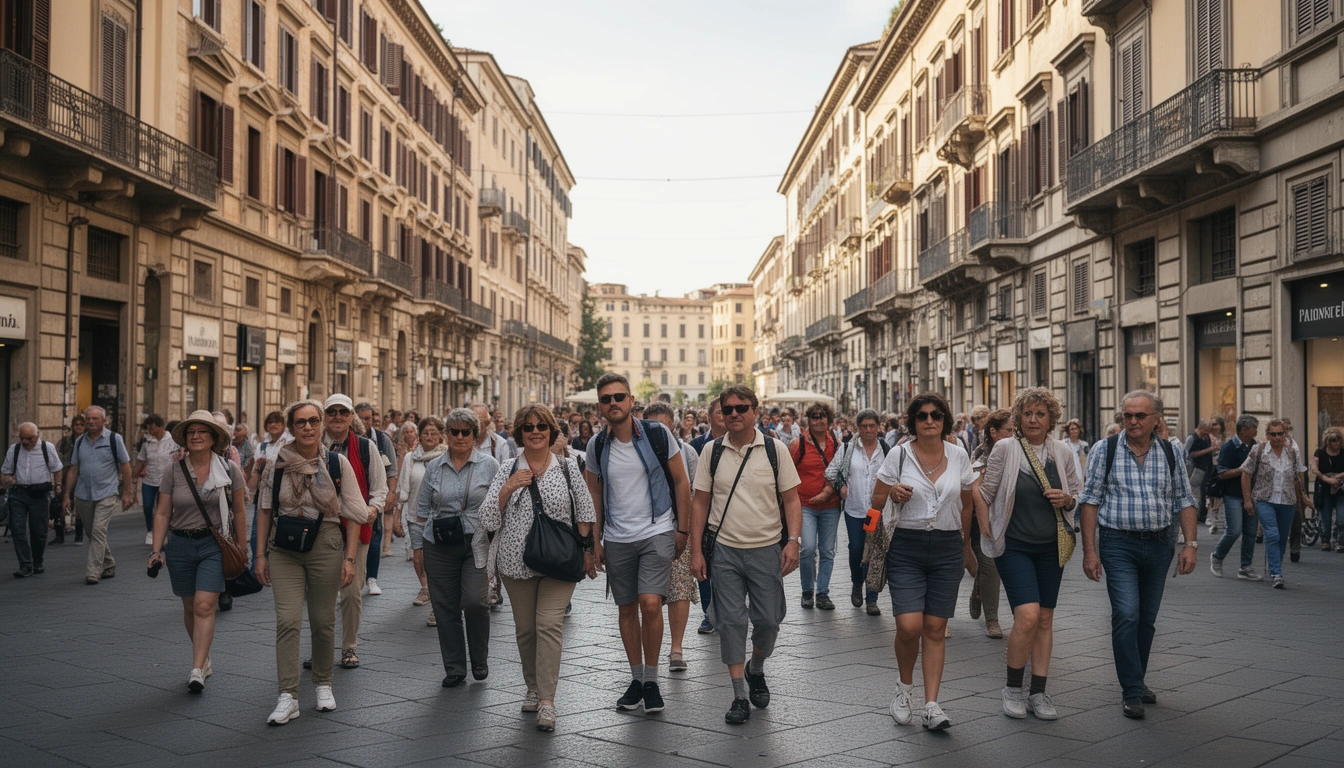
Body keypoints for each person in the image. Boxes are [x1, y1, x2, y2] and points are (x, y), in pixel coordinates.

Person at [1079, 391, 1198, 719]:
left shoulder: (1171, 451)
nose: (1132, 421)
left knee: (1146, 619)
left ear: (1156, 418)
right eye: (1127, 415)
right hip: (1119, 544)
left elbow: (1184, 499)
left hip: (1160, 544)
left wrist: (1190, 544)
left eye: (1140, 416)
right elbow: (1089, 501)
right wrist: (1090, 552)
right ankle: (1131, 690)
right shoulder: (1106, 449)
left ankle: (1137, 678)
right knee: (1127, 614)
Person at [689, 385, 802, 725]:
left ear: (755, 411)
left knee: (769, 620)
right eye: (728, 409)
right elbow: (700, 503)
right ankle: (739, 694)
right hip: (724, 551)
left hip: (766, 548)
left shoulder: (774, 449)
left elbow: (792, 499)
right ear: (721, 414)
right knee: (732, 623)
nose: (734, 413)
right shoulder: (712, 451)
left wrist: (793, 540)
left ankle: (757, 667)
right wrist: (696, 551)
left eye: (742, 407)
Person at [479, 404, 596, 732]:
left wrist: (583, 549)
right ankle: (532, 687)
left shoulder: (568, 467)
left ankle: (547, 700)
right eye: (528, 427)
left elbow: (586, 512)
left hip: (559, 563)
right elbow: (487, 518)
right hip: (516, 565)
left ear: (551, 432)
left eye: (541, 426)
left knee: (548, 626)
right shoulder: (506, 468)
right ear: (519, 433)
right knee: (526, 630)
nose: (535, 431)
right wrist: (509, 487)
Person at [255, 400, 371, 724]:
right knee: (287, 621)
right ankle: (287, 695)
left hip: (326, 544)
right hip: (284, 549)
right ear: (291, 428)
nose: (307, 427)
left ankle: (323, 683)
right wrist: (259, 555)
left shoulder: (337, 464)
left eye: (312, 421)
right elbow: (265, 510)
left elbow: (354, 514)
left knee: (322, 621)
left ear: (320, 425)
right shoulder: (275, 463)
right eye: (300, 422)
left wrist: (350, 559)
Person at [972, 389, 1083, 721]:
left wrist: (1067, 500)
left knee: (1045, 620)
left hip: (1051, 547)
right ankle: (1012, 688)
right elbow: (984, 491)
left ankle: (1039, 692)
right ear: (1018, 418)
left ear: (1051, 418)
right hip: (1015, 546)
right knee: (1029, 616)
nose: (1033, 420)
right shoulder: (1006, 448)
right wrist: (983, 526)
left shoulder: (1062, 451)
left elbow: (1077, 493)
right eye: (1027, 414)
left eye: (1040, 414)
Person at [584, 375, 692, 714]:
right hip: (617, 536)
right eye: (605, 399)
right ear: (599, 407)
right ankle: (636, 679)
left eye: (618, 396)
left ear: (631, 400)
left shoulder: (658, 434)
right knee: (627, 607)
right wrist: (593, 541)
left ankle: (653, 679)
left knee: (649, 603)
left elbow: (681, 482)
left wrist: (683, 531)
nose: (612, 403)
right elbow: (594, 493)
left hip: (657, 528)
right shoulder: (597, 445)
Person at [869, 393, 976, 731]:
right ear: (913, 422)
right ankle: (903, 689)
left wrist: (967, 545)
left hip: (946, 547)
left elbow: (968, 504)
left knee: (935, 628)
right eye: (922, 416)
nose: (929, 421)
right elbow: (875, 500)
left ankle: (931, 704)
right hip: (906, 546)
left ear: (945, 421)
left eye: (936, 415)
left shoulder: (959, 455)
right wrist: (893, 493)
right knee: (909, 626)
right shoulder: (899, 454)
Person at [146, 411, 247, 692]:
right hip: (179, 545)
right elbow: (163, 513)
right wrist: (157, 550)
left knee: (204, 605)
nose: (196, 436)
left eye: (203, 431)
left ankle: (196, 668)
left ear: (214, 438)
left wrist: (243, 546)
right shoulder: (173, 470)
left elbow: (239, 510)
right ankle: (204, 658)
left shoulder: (229, 469)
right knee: (190, 607)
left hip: (213, 545)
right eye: (191, 432)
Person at [418, 408, 498, 686]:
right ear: (447, 435)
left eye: (466, 431)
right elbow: (421, 510)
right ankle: (454, 668)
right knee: (444, 607)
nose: (460, 436)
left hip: (476, 543)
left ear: (475, 435)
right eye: (454, 431)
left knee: (476, 602)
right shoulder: (434, 466)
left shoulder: (489, 465)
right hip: (439, 544)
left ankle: (479, 659)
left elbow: (499, 506)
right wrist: (419, 548)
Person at [322, 394, 388, 669]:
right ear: (325, 416)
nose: (337, 416)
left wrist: (373, 510)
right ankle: (321, 648)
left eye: (343, 412)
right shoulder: (313, 445)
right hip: (320, 529)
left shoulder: (365, 448)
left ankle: (349, 647)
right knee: (321, 594)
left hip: (355, 527)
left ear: (351, 417)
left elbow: (379, 487)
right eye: (332, 412)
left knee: (351, 592)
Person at [644, 402, 700, 672]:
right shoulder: (634, 452)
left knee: (679, 587)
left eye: (663, 427)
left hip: (678, 527)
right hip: (643, 529)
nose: (658, 433)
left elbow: (695, 494)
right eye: (652, 427)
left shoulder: (687, 452)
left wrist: (689, 532)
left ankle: (676, 648)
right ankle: (649, 648)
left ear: (672, 427)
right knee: (647, 594)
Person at [823, 408, 889, 615]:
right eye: (864, 426)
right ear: (857, 428)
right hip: (855, 509)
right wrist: (841, 484)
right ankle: (856, 583)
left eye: (872, 426)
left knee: (875, 552)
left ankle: (872, 597)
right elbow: (830, 472)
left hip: (877, 511)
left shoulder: (887, 450)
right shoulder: (847, 449)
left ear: (878, 427)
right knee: (856, 549)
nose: (868, 430)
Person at [62, 406, 134, 585]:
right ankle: (108, 562)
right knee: (91, 533)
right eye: (88, 419)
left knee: (98, 530)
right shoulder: (79, 442)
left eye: (95, 419)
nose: (91, 422)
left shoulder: (113, 439)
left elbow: (125, 466)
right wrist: (66, 496)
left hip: (107, 492)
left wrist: (127, 492)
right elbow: (73, 469)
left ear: (104, 420)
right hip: (83, 494)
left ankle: (93, 571)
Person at [1240, 419, 1307, 589]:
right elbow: (1246, 474)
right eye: (1273, 434)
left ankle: (1274, 565)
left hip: (1287, 500)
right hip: (1265, 499)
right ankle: (1277, 573)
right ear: (1267, 435)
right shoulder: (1259, 450)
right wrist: (1247, 499)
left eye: (1280, 434)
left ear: (1285, 434)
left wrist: (1304, 495)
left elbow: (1299, 474)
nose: (1277, 437)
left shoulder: (1292, 452)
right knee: (1272, 535)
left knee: (1282, 538)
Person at [789, 402, 841, 611]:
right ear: (809, 420)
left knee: (827, 551)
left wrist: (828, 491)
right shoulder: (798, 444)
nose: (818, 420)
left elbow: (841, 472)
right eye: (814, 416)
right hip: (805, 505)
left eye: (822, 416)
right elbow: (787, 474)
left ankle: (823, 593)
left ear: (829, 420)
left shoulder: (836, 443)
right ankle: (806, 591)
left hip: (831, 505)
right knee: (808, 548)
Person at [397, 417, 447, 622]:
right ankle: (425, 588)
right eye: (425, 433)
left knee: (436, 562)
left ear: (440, 435)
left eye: (433, 433)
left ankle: (437, 606)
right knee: (419, 558)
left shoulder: (447, 457)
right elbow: (403, 488)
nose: (429, 437)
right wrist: (395, 517)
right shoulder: (411, 458)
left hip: (440, 517)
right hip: (415, 515)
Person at [968, 409, 1012, 639]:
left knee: (997, 570)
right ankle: (992, 620)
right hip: (983, 521)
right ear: (994, 432)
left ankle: (979, 589)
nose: (1015, 435)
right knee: (991, 568)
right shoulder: (981, 454)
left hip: (1012, 519)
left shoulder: (1019, 452)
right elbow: (975, 489)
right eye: (1010, 431)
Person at [3, 422, 63, 578]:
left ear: (37, 436)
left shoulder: (46, 448)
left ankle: (37, 561)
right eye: (22, 438)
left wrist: (58, 485)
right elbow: (4, 472)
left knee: (39, 531)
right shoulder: (14, 449)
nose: (25, 442)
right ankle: (25, 564)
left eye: (29, 439)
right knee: (17, 529)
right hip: (18, 494)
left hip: (39, 494)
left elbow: (57, 468)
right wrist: (8, 480)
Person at [688, 399, 727, 634]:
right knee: (703, 564)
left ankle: (730, 609)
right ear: (709, 417)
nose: (726, 416)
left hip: (731, 514)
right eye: (721, 412)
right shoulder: (695, 446)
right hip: (704, 513)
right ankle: (709, 614)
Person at [1210, 415, 1260, 581]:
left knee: (1251, 532)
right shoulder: (1229, 447)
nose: (1256, 431)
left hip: (1251, 494)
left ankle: (1245, 567)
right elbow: (1222, 474)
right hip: (1232, 495)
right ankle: (1217, 557)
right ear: (1244, 430)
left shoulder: (1255, 446)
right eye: (1254, 428)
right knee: (1234, 530)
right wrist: (1243, 469)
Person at [354, 402, 399, 587]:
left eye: (368, 418)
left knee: (373, 535)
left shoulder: (382, 439)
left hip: (374, 494)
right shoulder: (350, 439)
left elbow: (392, 470)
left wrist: (391, 494)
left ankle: (372, 578)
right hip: (353, 494)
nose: (365, 422)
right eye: (361, 418)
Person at [133, 415, 177, 546]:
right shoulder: (147, 442)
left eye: (153, 428)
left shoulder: (172, 441)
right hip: (150, 480)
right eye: (149, 429)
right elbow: (140, 461)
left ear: (160, 427)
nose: (151, 431)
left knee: (162, 509)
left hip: (166, 481)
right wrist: (133, 479)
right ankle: (150, 530)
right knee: (147, 505)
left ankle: (163, 533)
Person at [54, 415, 86, 544]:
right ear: (72, 426)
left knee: (78, 506)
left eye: (81, 424)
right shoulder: (65, 442)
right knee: (61, 504)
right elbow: (57, 459)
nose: (78, 427)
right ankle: (59, 535)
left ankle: (79, 535)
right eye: (76, 424)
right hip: (66, 473)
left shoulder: (87, 441)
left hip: (81, 476)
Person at [1312, 427, 1344, 551]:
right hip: (1324, 488)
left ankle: (1340, 540)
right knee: (1325, 517)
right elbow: (1314, 468)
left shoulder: (1342, 452)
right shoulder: (1320, 453)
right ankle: (1325, 539)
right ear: (1328, 442)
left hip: (1341, 488)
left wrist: (1338, 477)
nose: (1336, 444)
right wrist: (1326, 479)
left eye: (1338, 441)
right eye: (1334, 441)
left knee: (1341, 517)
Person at [1184, 421, 1217, 525]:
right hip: (1196, 468)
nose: (1208, 433)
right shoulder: (1192, 438)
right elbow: (1188, 454)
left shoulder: (1206, 437)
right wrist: (1209, 450)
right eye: (1207, 430)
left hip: (1205, 467)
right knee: (1196, 491)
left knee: (1203, 490)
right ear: (1202, 428)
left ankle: (1202, 513)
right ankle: (1196, 513)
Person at [1206, 417, 1227, 535]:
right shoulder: (1208, 437)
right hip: (1212, 468)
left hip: (1221, 467)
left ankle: (1219, 521)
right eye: (1213, 424)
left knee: (1221, 497)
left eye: (1217, 424)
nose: (1215, 427)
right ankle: (1213, 521)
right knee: (1212, 496)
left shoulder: (1226, 437)